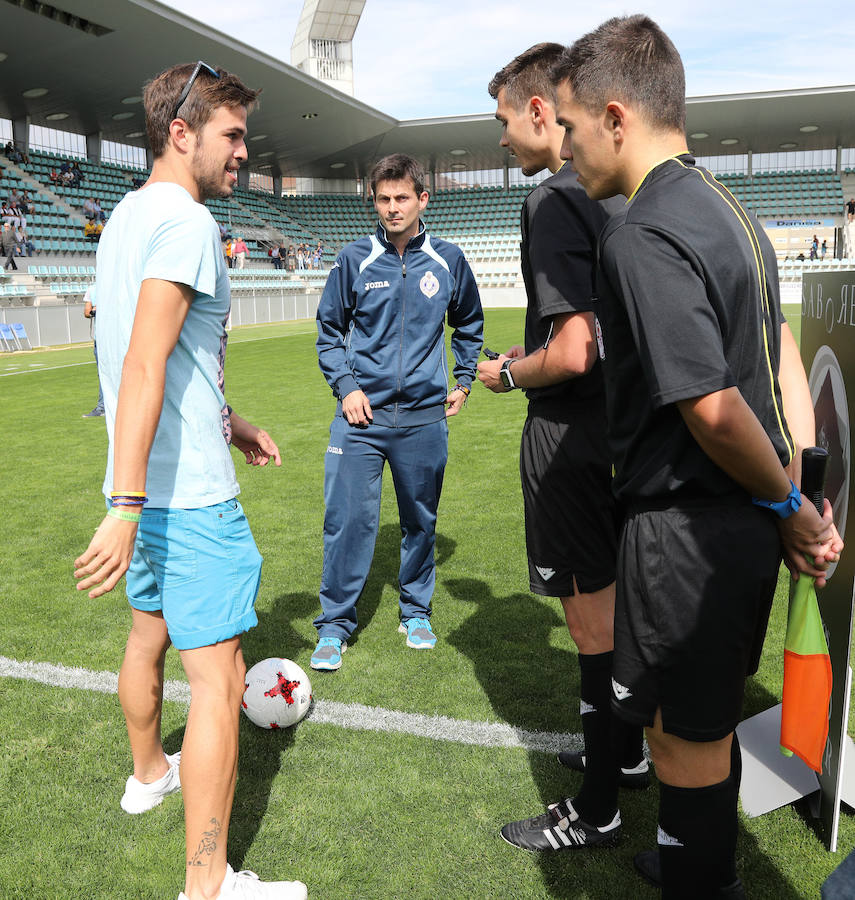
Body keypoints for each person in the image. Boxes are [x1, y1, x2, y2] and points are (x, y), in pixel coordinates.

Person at [550, 17, 841, 896]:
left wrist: (791, 509)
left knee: (683, 737)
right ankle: (687, 859)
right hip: (734, 525)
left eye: (566, 126)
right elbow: (780, 357)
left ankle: (694, 875)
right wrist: (791, 491)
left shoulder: (642, 233)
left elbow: (712, 407)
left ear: (612, 116)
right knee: (697, 726)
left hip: (686, 534)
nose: (564, 149)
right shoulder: (731, 210)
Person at [72, 60, 306, 900]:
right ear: (182, 131)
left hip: (142, 481)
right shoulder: (188, 223)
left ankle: (147, 776)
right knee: (220, 682)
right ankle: (208, 884)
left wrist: (228, 419)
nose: (243, 152)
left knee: (147, 638)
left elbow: (160, 365)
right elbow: (142, 361)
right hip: (184, 497)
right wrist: (131, 502)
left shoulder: (129, 217)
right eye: (232, 135)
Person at [478, 43, 646, 854]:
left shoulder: (553, 199)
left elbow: (573, 348)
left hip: (570, 440)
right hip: (621, 435)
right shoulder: (614, 192)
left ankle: (597, 808)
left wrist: (508, 373)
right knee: (621, 608)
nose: (502, 138)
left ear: (540, 112)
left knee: (592, 626)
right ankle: (630, 751)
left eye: (505, 120)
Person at [311, 152, 483, 671]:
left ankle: (416, 612)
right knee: (347, 523)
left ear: (422, 199)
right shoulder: (353, 258)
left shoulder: (448, 260)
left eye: (401, 198)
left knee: (419, 521)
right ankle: (335, 627)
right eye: (383, 199)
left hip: (424, 420)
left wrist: (465, 379)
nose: (391, 208)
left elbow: (469, 324)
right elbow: (328, 332)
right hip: (359, 421)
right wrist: (346, 387)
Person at [82, 283, 105, 418]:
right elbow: (86, 312)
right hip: (100, 339)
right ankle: (102, 407)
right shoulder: (93, 289)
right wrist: (94, 311)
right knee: (102, 374)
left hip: (115, 337)